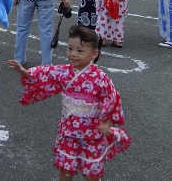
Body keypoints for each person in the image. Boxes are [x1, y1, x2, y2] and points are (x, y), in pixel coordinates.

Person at [8, 25, 131, 181]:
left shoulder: (101, 78)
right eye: (70, 48)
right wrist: (26, 72)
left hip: (92, 133)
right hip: (69, 132)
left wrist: (107, 124)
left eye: (80, 51)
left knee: (91, 173)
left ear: (94, 54)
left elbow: (112, 100)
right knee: (66, 170)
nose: (73, 54)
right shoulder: (64, 71)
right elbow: (46, 73)